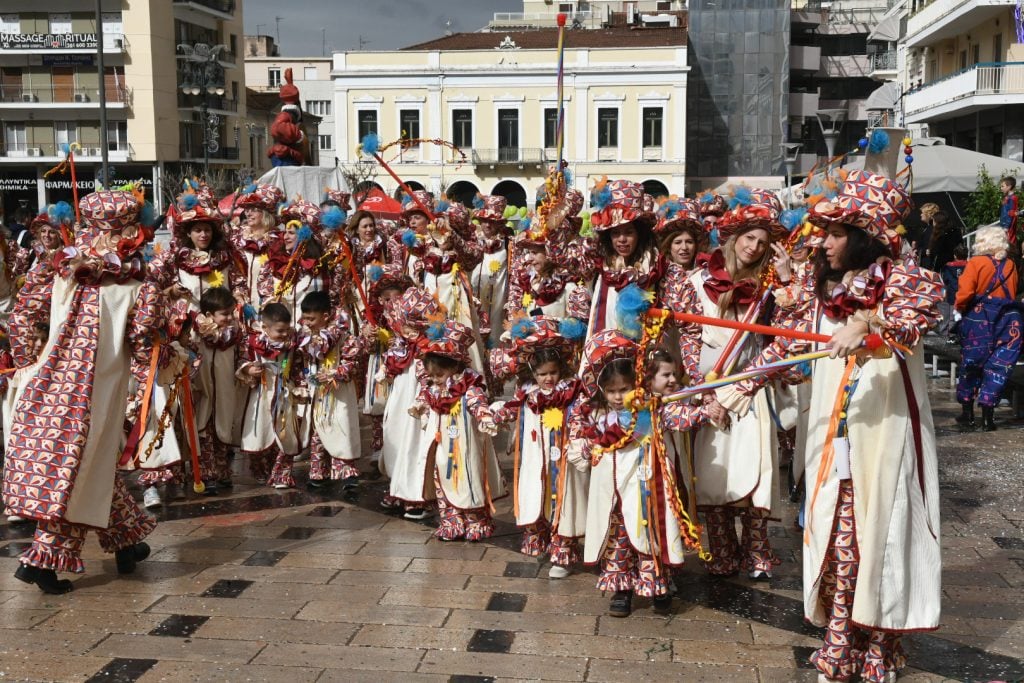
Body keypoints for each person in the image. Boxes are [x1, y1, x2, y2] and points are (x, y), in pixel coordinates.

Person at [718, 164, 944, 682]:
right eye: (825, 232)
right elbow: (784, 349)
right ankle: (839, 641)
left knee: (881, 538)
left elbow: (910, 323)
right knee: (838, 541)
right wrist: (730, 395)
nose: (824, 243)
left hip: (885, 438)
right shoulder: (823, 291)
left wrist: (867, 322)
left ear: (865, 238)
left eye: (838, 233)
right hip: (831, 440)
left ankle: (879, 649)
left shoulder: (907, 279)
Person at [3, 189, 170, 593]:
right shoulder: (139, 286)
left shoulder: (58, 269)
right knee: (79, 470)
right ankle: (40, 561)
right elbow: (146, 344)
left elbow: (22, 314)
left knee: (82, 465)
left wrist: (30, 365)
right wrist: (169, 353)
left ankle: (127, 542)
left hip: (48, 385)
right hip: (96, 394)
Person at [676, 188, 789, 580]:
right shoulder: (695, 282)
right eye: (749, 238)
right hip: (709, 391)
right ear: (733, 237)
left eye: (763, 242)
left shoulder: (772, 288)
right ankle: (722, 547)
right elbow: (687, 341)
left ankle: (757, 548)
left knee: (756, 468)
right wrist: (707, 395)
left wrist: (789, 285)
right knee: (713, 473)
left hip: (752, 389)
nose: (755, 247)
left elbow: (785, 340)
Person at [573, 329, 718, 618]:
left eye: (623, 389)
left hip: (647, 488)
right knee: (620, 537)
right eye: (611, 391)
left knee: (650, 533)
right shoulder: (595, 415)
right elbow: (584, 442)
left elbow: (680, 417)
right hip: (613, 492)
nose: (617, 396)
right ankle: (622, 590)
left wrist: (706, 411)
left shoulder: (652, 409)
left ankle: (657, 585)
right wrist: (586, 448)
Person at [491, 316, 588, 578]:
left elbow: (581, 416)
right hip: (536, 455)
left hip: (563, 456)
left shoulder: (573, 392)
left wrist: (579, 440)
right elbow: (514, 411)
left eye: (553, 373)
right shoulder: (526, 392)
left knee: (563, 500)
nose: (548, 379)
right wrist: (493, 416)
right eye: (542, 374)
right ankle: (539, 538)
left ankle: (563, 552)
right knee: (536, 494)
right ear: (532, 372)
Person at [407, 319, 504, 541]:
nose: (434, 381)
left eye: (439, 375)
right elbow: (424, 396)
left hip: (464, 447)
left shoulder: (469, 388)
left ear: (455, 367)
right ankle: (451, 520)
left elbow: (478, 404)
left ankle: (475, 520)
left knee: (469, 479)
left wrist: (485, 416)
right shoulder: (433, 390)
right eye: (431, 376)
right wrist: (419, 405)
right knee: (442, 476)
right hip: (441, 444)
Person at [955, 226, 1022, 431]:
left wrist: (958, 309)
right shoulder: (1011, 264)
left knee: (971, 365)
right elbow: (1013, 291)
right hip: (1010, 319)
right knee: (999, 367)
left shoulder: (975, 262)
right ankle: (988, 417)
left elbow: (965, 292)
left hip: (980, 318)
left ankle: (968, 414)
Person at [297, 290, 364, 489]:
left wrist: (335, 373)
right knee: (318, 428)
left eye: (312, 318)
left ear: (325, 316)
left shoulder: (343, 336)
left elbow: (353, 362)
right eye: (305, 318)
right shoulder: (305, 338)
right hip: (317, 392)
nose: (307, 322)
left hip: (339, 392)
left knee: (341, 428)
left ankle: (347, 471)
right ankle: (319, 471)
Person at [236, 302, 301, 486]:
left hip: (284, 394)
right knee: (260, 433)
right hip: (261, 395)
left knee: (285, 435)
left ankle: (282, 474)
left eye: (287, 330)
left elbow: (296, 366)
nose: (284, 335)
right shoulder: (253, 342)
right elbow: (242, 361)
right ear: (265, 327)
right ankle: (260, 469)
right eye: (280, 331)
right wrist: (249, 370)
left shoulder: (291, 343)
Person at [193, 286, 245, 491]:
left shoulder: (235, 334)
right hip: (204, 392)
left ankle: (222, 471)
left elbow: (242, 356)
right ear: (208, 315)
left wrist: (247, 368)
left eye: (231, 312)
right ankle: (207, 474)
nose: (230, 317)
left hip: (225, 392)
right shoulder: (197, 335)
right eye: (224, 314)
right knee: (204, 431)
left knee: (223, 431)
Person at [471, 194, 512, 349]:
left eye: (492, 221)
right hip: (475, 298)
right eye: (485, 221)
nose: (487, 225)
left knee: (496, 334)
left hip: (498, 301)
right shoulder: (472, 242)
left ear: (499, 224)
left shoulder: (508, 244)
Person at [939, 245, 968, 341]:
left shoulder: (948, 266)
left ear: (955, 255)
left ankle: (950, 335)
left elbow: (945, 280)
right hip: (966, 293)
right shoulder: (970, 265)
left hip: (952, 293)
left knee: (952, 315)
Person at [1000, 176, 1019, 245]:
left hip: (1008, 227)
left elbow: (1011, 213)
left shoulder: (1013, 198)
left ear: (1009, 187)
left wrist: (1006, 227)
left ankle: (1012, 255)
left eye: (1003, 186)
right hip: (1004, 224)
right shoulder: (1007, 197)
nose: (1001, 188)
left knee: (1009, 244)